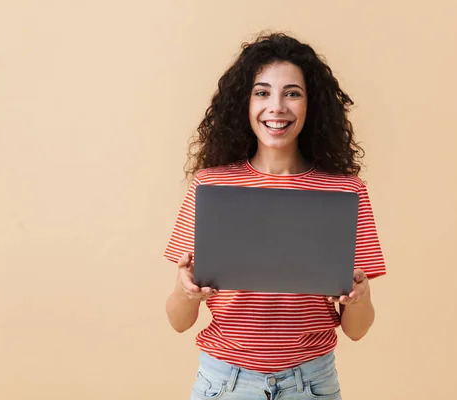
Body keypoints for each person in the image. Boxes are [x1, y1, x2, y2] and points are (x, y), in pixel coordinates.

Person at [163, 32, 386, 400]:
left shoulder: (345, 192)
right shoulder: (211, 187)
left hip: (312, 384)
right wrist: (186, 292)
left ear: (311, 104)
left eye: (292, 93)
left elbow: (356, 330)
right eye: (262, 92)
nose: (277, 107)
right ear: (244, 103)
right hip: (224, 383)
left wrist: (359, 298)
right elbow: (178, 321)